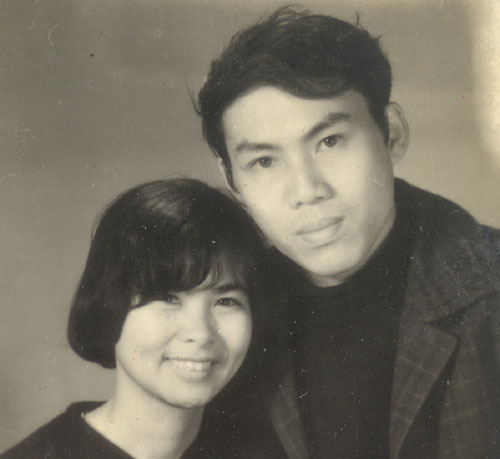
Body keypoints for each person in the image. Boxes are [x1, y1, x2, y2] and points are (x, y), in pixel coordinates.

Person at [197, 6, 500, 459]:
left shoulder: (489, 287)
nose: (307, 190)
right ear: (231, 180)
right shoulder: (221, 324)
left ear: (391, 134)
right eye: (264, 161)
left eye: (330, 141)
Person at [1, 179, 285, 459]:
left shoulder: (272, 449)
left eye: (226, 301)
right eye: (168, 298)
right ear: (109, 306)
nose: (200, 333)